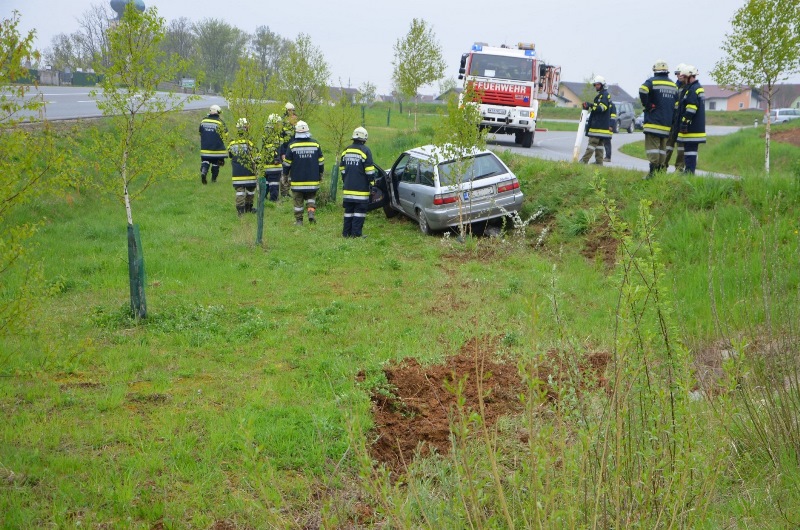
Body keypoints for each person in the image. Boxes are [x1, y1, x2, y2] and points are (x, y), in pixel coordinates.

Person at [639, 59, 679, 179]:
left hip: (653, 123)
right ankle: (660, 172)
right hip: (666, 124)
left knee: (652, 148)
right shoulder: (673, 85)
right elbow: (676, 106)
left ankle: (652, 173)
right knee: (662, 148)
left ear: (655, 71)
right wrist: (672, 120)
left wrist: (647, 104)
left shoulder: (652, 81)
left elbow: (642, 90)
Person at [282, 120, 324, 226]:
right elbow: (321, 161)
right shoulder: (315, 144)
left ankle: (299, 221)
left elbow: (287, 163)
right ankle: (311, 213)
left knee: (298, 201)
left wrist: (285, 175)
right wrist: (320, 173)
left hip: (297, 181)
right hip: (312, 179)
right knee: (311, 198)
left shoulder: (292, 146)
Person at [340, 126, 376, 238]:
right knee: (359, 212)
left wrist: (345, 179)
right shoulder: (365, 151)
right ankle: (356, 234)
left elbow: (342, 168)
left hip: (348, 188)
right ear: (364, 138)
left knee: (348, 211)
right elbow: (369, 171)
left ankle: (346, 233)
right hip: (361, 189)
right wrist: (372, 183)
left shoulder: (346, 150)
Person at [676, 65, 706, 174]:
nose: (683, 80)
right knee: (691, 152)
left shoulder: (693, 89)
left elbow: (691, 108)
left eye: (684, 77)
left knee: (690, 152)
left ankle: (689, 172)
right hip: (696, 127)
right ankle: (689, 172)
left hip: (691, 128)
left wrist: (684, 122)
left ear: (689, 76)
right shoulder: (697, 88)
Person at [579, 75, 613, 166]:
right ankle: (599, 162)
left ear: (602, 85)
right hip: (601, 126)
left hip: (598, 126)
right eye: (595, 85)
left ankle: (583, 161)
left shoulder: (604, 95)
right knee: (599, 146)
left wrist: (590, 105)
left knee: (592, 144)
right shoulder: (602, 95)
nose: (596, 86)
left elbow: (601, 108)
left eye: (598, 85)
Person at [228, 118, 257, 215]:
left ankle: (240, 211)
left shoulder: (232, 143)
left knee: (240, 192)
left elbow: (230, 155)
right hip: (249, 172)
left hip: (237, 173)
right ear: (246, 128)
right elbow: (256, 156)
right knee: (250, 191)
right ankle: (249, 208)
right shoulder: (250, 143)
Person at [665, 63, 687, 172]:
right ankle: (662, 167)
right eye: (677, 74)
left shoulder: (689, 88)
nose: (678, 75)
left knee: (681, 148)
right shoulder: (673, 87)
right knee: (668, 146)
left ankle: (679, 169)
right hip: (673, 121)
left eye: (680, 73)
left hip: (682, 121)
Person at [199, 104, 228, 184]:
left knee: (205, 161)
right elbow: (225, 135)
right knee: (216, 163)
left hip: (205, 149)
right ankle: (213, 179)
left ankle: (204, 172)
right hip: (217, 149)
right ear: (217, 112)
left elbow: (200, 133)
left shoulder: (203, 121)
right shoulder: (220, 122)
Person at [261, 113, 283, 202]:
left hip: (266, 164)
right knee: (274, 183)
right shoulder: (272, 134)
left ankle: (264, 198)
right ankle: (273, 200)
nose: (279, 125)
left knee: (267, 182)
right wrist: (276, 158)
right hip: (273, 165)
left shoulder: (267, 132)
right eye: (278, 123)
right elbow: (273, 148)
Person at [279, 102, 298, 197]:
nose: (292, 112)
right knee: (285, 172)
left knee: (292, 172)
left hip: (294, 151)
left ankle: (289, 191)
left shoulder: (295, 123)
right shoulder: (282, 123)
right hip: (285, 151)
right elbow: (280, 140)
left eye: (293, 110)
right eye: (290, 110)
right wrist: (282, 153)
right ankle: (284, 192)